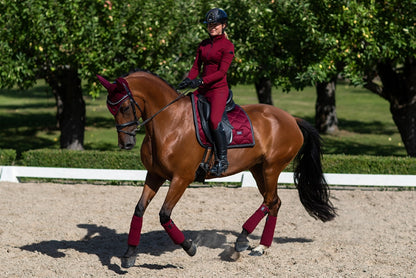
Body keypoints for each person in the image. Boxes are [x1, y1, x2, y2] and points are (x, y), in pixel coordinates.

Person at [178, 8, 234, 176]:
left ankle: (222, 160)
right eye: (209, 24)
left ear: (224, 25)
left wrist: (201, 81)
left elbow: (221, 72)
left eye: (215, 24)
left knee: (214, 121)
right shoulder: (203, 44)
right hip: (202, 89)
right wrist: (189, 79)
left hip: (218, 90)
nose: (212, 27)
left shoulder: (227, 46)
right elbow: (196, 66)